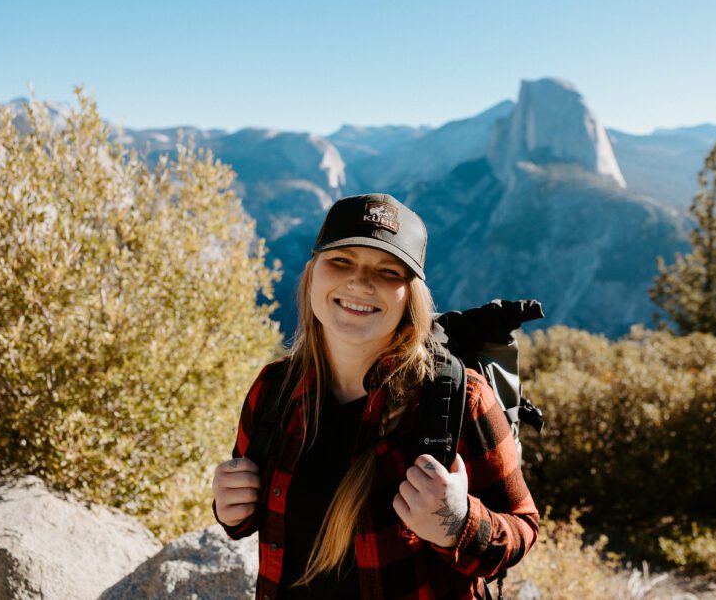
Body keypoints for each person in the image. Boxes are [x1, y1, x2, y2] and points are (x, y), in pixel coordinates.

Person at [211, 193, 539, 600]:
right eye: (342, 261)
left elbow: (523, 527)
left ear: (410, 295)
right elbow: (252, 517)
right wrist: (231, 510)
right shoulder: (275, 389)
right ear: (312, 273)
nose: (360, 283)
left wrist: (458, 524)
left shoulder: (460, 398)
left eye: (387, 272)